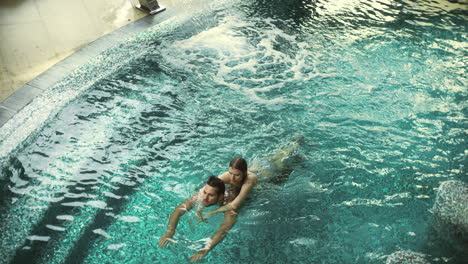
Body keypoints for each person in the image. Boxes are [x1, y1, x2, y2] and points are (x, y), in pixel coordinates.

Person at [203, 137, 303, 219]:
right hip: (259, 164)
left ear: (244, 173)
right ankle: (294, 144)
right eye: (231, 173)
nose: (232, 178)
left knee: (285, 158)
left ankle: (298, 142)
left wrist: (212, 212)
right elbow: (206, 188)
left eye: (237, 175)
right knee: (278, 155)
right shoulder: (228, 175)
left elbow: (235, 204)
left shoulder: (249, 181)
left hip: (268, 170)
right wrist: (199, 209)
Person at [158, 176, 237, 262]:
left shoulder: (229, 207)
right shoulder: (200, 196)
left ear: (221, 197)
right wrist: (170, 231)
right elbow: (178, 211)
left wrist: (205, 250)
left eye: (211, 195)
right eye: (205, 192)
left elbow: (223, 230)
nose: (205, 198)